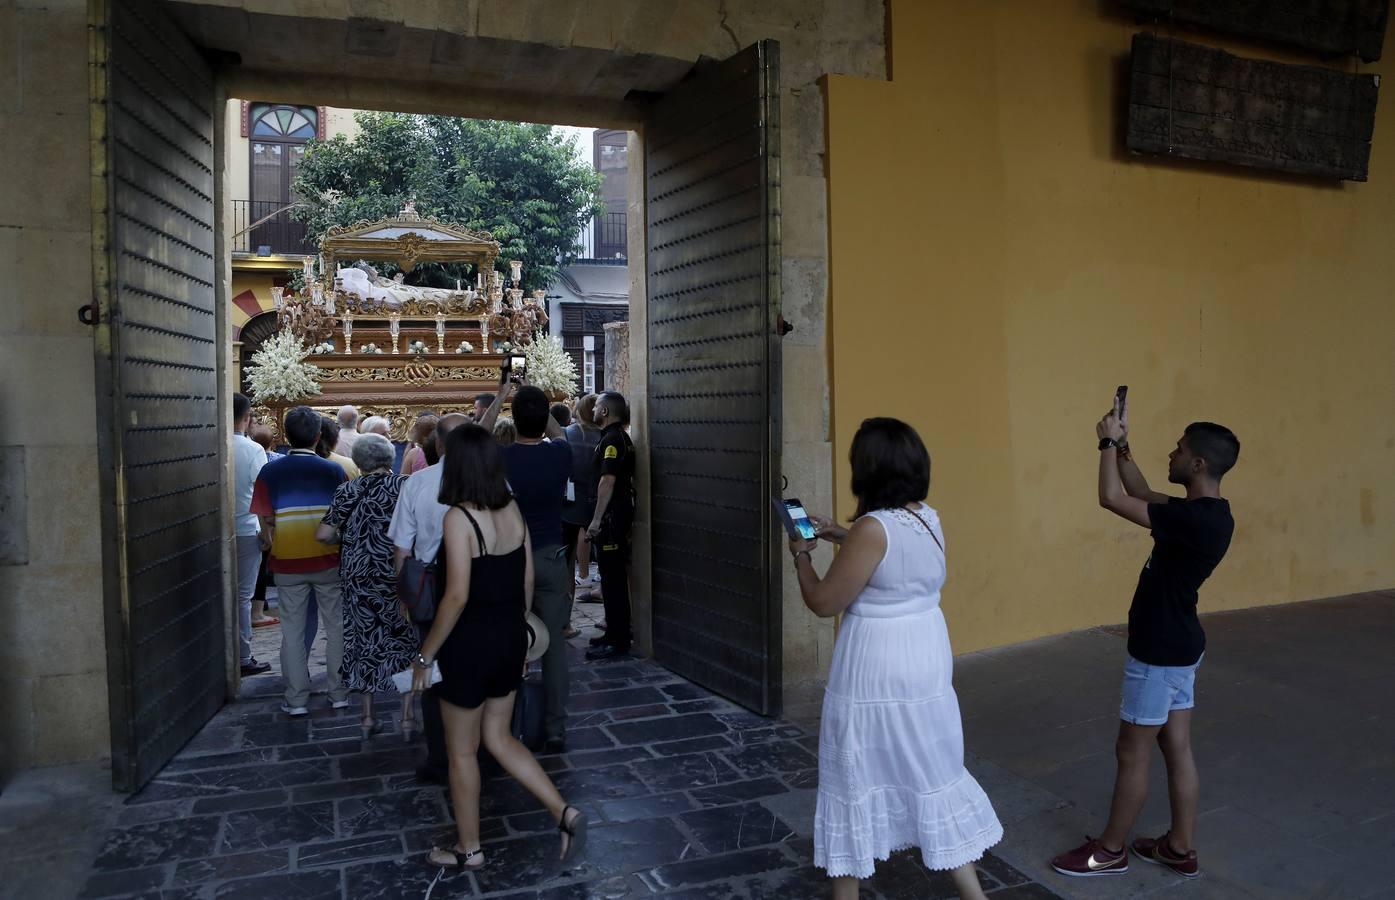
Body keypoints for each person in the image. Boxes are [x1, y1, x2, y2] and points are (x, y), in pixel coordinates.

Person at [791, 418, 1001, 900]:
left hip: (877, 664)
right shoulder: (927, 517)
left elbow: (824, 602)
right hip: (924, 656)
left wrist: (801, 554)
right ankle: (973, 893)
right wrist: (838, 533)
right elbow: (892, 558)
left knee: (855, 773)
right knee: (928, 764)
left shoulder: (872, 528)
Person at [1050, 400, 1239, 880]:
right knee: (1176, 747)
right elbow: (1140, 491)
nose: (1171, 454)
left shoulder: (1195, 520)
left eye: (1179, 449)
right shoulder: (1209, 513)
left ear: (1198, 464)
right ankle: (1179, 846)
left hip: (1158, 651)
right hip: (1181, 646)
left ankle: (1109, 851)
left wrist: (1107, 444)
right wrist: (1125, 447)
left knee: (1131, 751)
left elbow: (1113, 498)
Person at [411, 424, 587, 870]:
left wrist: (424, 654)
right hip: (510, 636)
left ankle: (469, 849)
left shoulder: (458, 517)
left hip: (468, 646)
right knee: (501, 737)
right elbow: (526, 579)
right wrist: (520, 632)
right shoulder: (512, 510)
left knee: (462, 752)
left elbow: (455, 596)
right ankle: (562, 810)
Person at [314, 434, 418, 739]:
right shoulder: (405, 485)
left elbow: (323, 534)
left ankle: (368, 717)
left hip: (358, 575)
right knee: (405, 641)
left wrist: (345, 539)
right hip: (397, 573)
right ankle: (408, 717)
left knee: (363, 641)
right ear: (390, 457)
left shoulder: (348, 489)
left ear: (359, 461)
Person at [490, 383, 574, 752]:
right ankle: (555, 728)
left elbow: (480, 432)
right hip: (551, 555)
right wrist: (545, 405)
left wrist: (502, 395)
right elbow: (557, 432)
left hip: (509, 557)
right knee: (554, 645)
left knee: (505, 641)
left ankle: (504, 723)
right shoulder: (560, 454)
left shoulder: (501, 457)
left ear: (514, 418)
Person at [251, 405, 349, 717]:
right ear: (319, 436)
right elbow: (344, 515)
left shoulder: (270, 471)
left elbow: (266, 517)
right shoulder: (333, 470)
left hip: (288, 561)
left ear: (285, 434)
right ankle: (339, 694)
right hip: (329, 560)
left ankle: (296, 700)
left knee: (292, 631)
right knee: (335, 627)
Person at [390, 412, 470, 783]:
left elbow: (402, 549)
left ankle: (441, 756)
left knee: (431, 666)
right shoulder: (490, 482)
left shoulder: (417, 483)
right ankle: (478, 750)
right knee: (475, 662)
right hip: (479, 584)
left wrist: (406, 593)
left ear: (437, 445)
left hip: (430, 584)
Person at [584, 392, 635, 661]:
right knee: (609, 576)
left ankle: (618, 639)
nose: (592, 408)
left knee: (613, 581)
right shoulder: (613, 437)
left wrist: (596, 519)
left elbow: (608, 480)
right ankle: (613, 632)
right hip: (614, 517)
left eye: (596, 406)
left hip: (611, 519)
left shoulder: (613, 440)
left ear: (605, 412)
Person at [232, 393, 271, 677]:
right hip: (246, 529)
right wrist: (267, 532)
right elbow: (262, 495)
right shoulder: (252, 449)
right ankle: (243, 656)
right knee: (243, 595)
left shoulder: (206, 441)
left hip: (212, 529)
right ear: (247, 418)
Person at [562, 394, 603, 616]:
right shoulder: (604, 438)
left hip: (570, 504)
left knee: (567, 564)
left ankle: (566, 617)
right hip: (597, 503)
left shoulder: (568, 435)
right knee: (607, 562)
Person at [248, 425, 283, 627]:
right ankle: (257, 610)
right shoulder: (278, 461)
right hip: (269, 517)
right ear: (273, 442)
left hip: (256, 516)